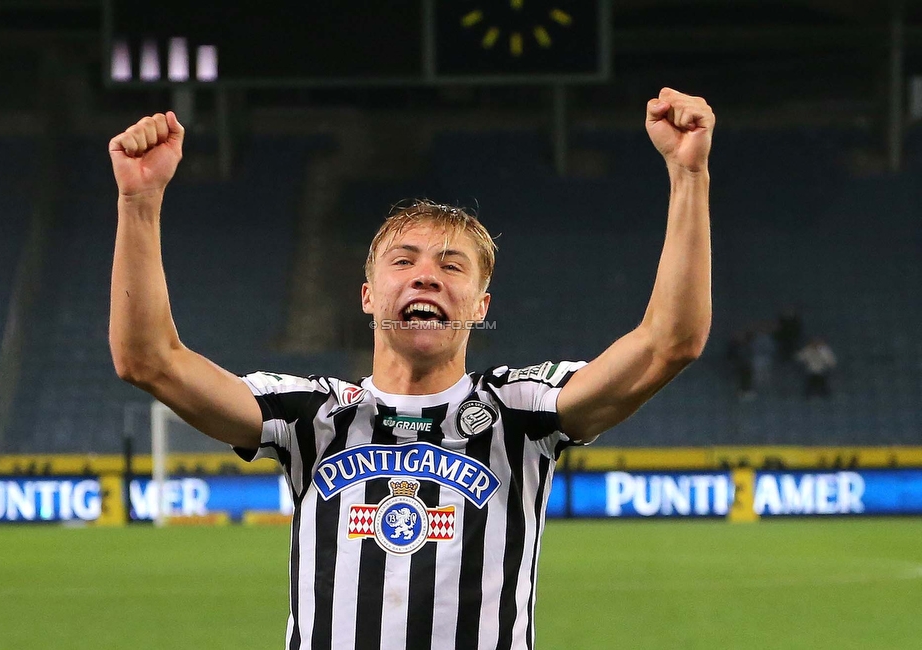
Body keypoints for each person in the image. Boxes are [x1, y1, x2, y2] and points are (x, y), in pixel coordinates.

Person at [108, 87, 714, 650]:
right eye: (404, 260)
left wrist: (688, 175)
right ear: (368, 294)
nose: (427, 274)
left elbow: (670, 343)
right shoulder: (307, 415)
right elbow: (148, 360)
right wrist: (139, 203)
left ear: (480, 307)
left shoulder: (523, 410)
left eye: (452, 266)